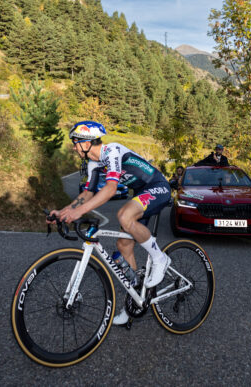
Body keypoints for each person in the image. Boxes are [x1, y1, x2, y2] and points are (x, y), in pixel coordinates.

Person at [49, 121, 172, 326]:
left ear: (87, 143)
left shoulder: (112, 151)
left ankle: (160, 259)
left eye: (76, 142)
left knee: (124, 214)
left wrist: (78, 212)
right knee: (123, 246)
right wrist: (64, 212)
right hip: (141, 194)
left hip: (157, 186)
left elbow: (111, 188)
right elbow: (87, 193)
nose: (74, 147)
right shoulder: (93, 164)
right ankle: (134, 303)